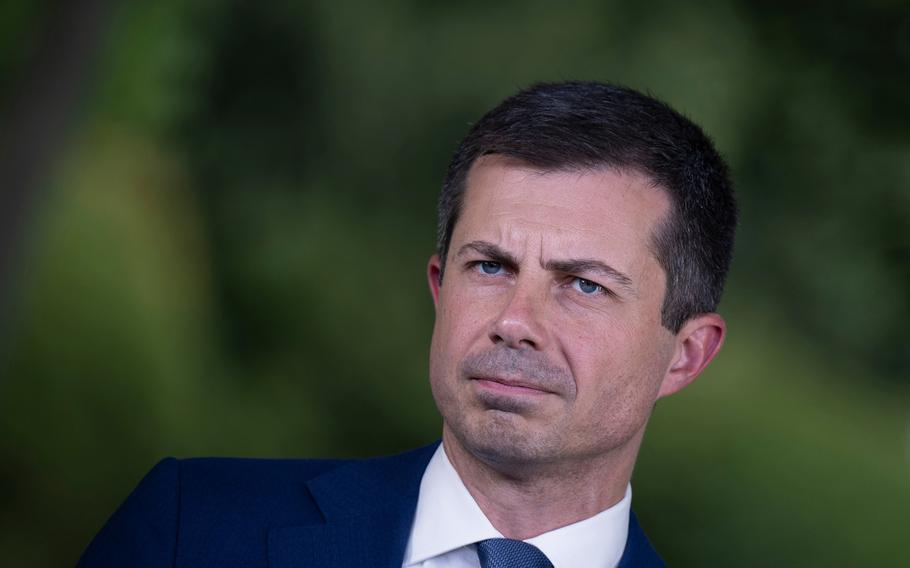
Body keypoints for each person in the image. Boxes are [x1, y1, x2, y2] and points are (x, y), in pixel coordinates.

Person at [78, 81, 736, 567]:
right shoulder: (189, 531)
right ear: (439, 286)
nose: (514, 321)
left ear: (685, 355)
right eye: (489, 267)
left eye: (584, 284)